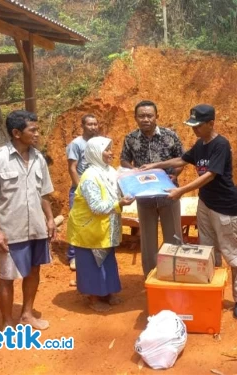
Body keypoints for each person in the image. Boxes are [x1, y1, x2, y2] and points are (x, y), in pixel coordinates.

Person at [141, 104, 237, 319]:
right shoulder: (200, 144)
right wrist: (157, 165)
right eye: (192, 126)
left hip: (224, 207)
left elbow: (210, 175)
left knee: (232, 253)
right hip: (205, 204)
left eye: (198, 126)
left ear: (211, 123)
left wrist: (181, 190)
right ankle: (212, 291)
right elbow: (183, 159)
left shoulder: (221, 145)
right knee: (207, 251)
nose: (195, 130)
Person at [0, 110, 56, 330]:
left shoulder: (38, 158)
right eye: (33, 130)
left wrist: (50, 219)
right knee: (7, 277)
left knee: (34, 271)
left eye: (37, 129)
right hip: (11, 230)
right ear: (16, 132)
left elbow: (44, 193)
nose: (37, 134)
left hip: (37, 229)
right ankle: (7, 323)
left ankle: (27, 315)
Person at [67, 137, 135, 312]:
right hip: (89, 229)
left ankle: (109, 292)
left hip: (105, 227)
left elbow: (120, 187)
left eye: (111, 149)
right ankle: (93, 298)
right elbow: (96, 207)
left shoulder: (109, 171)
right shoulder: (90, 177)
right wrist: (119, 204)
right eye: (106, 149)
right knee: (91, 264)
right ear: (95, 153)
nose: (111, 153)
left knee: (107, 260)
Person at [120, 100, 184, 278]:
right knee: (148, 240)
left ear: (157, 116)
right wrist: (133, 171)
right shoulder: (130, 138)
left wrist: (175, 175)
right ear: (135, 118)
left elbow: (182, 158)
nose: (145, 119)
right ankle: (150, 276)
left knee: (173, 237)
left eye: (149, 115)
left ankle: (176, 274)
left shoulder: (170, 136)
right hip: (144, 196)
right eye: (141, 116)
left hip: (168, 193)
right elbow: (124, 160)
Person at [66, 114, 100, 270]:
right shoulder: (76, 144)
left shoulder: (99, 143)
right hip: (80, 190)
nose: (93, 127)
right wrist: (80, 189)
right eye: (89, 124)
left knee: (95, 222)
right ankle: (73, 256)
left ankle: (93, 252)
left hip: (97, 189)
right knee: (78, 222)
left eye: (95, 124)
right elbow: (72, 168)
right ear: (83, 126)